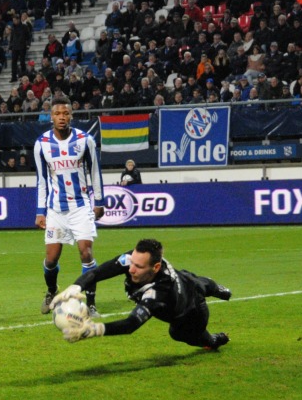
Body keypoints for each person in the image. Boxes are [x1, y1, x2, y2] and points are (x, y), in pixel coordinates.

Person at [50, 238, 231, 349]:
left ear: (156, 267)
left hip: (190, 312)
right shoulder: (134, 260)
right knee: (192, 279)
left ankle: (214, 339)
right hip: (185, 280)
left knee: (181, 333)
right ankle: (216, 289)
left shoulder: (159, 290)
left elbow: (131, 324)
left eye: (138, 266)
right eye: (132, 262)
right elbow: (97, 272)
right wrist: (75, 287)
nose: (131, 269)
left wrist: (94, 329)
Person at [34, 96, 105, 317]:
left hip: (81, 206)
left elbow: (95, 172)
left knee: (86, 252)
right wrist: (40, 210)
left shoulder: (85, 140)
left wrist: (99, 201)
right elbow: (42, 180)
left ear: (71, 115)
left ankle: (90, 303)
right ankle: (52, 290)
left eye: (65, 113)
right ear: (51, 116)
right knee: (51, 259)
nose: (62, 117)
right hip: (55, 209)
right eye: (57, 114)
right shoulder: (42, 144)